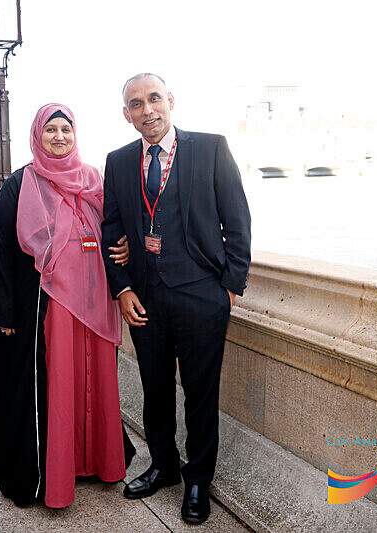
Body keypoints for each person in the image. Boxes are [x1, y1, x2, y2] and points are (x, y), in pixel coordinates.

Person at [101, 74, 251, 524]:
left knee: (201, 393)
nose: (147, 109)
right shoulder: (118, 161)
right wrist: (122, 288)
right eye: (136, 103)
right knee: (155, 388)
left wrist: (228, 290)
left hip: (202, 296)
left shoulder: (210, 148)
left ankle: (198, 478)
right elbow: (111, 229)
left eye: (153, 99)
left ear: (170, 100)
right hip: (145, 298)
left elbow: (237, 223)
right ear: (126, 114)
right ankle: (164, 465)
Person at [0, 103, 135, 509]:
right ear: (38, 135)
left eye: (66, 129)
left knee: (91, 383)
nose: (59, 136)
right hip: (46, 312)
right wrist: (2, 312)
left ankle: (93, 461)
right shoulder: (21, 185)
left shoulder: (94, 180)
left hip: (93, 311)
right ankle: (51, 473)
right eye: (51, 130)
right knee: (54, 386)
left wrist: (124, 247)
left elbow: (115, 228)